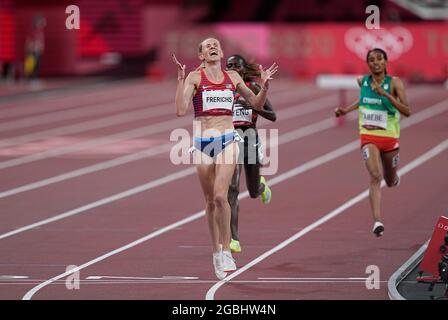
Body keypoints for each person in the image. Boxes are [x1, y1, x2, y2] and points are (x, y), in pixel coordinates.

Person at [172, 38, 278, 279]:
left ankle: (228, 248)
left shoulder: (233, 78)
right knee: (210, 201)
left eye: (215, 45)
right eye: (206, 46)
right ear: (201, 55)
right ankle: (216, 252)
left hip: (228, 140)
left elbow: (256, 104)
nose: (212, 47)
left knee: (222, 196)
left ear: (220, 52)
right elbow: (180, 109)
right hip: (202, 143)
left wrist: (265, 87)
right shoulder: (195, 78)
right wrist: (180, 79)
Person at [335, 48, 410, 237]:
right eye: (371, 60)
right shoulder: (363, 81)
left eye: (379, 59)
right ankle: (377, 221)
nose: (375, 62)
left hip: (390, 139)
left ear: (386, 62)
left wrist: (386, 95)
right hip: (368, 137)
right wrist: (345, 110)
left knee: (390, 180)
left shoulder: (395, 83)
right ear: (367, 63)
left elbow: (407, 111)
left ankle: (393, 178)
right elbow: (364, 101)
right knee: (375, 176)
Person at [225, 54, 277, 253]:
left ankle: (261, 186)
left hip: (250, 140)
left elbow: (273, 116)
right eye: (228, 66)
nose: (231, 68)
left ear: (243, 68)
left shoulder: (252, 88)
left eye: (235, 65)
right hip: (230, 141)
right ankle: (234, 239)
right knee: (232, 189)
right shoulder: (224, 91)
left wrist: (254, 106)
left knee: (253, 192)